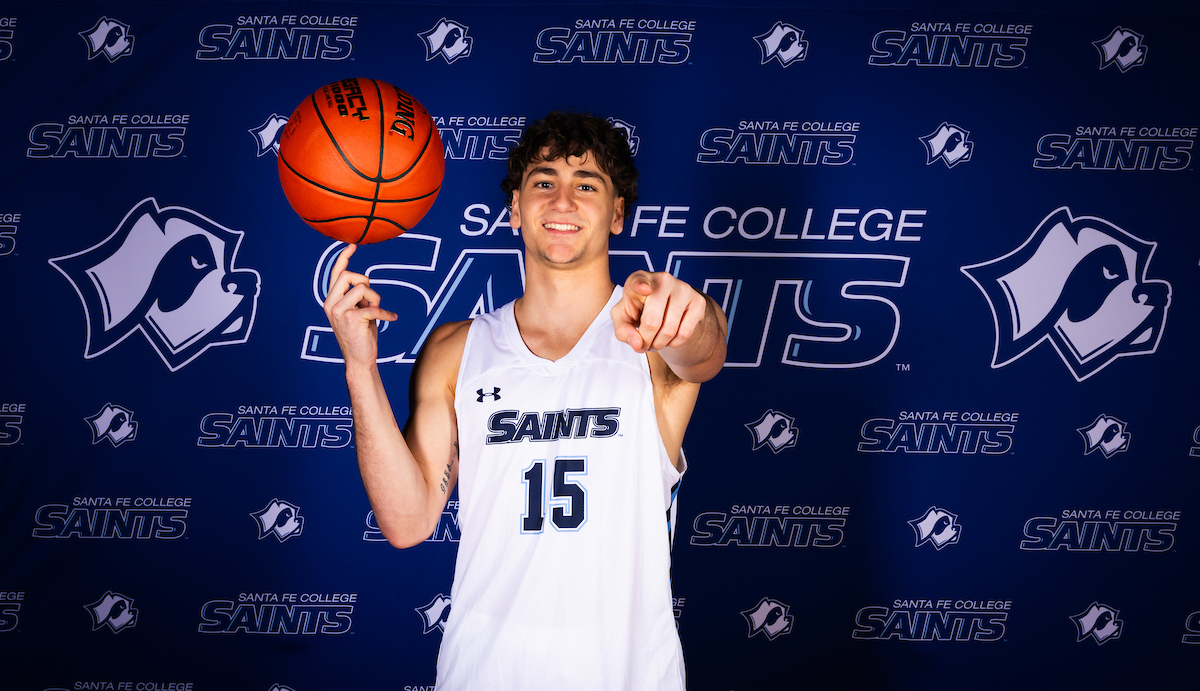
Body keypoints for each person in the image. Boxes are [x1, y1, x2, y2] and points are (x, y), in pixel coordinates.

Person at [323, 111, 727, 689]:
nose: (562, 201)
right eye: (543, 182)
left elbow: (705, 353)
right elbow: (407, 521)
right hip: (485, 672)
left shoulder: (655, 334)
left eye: (586, 185)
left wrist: (691, 314)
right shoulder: (456, 350)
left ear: (617, 213)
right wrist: (360, 366)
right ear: (515, 207)